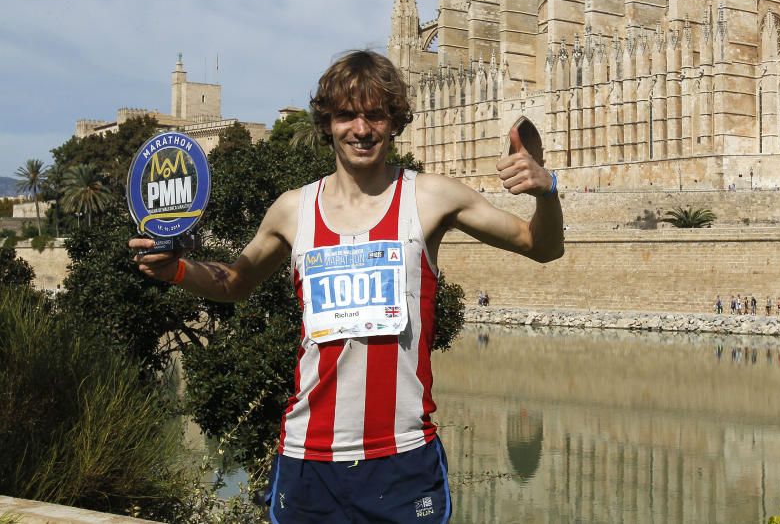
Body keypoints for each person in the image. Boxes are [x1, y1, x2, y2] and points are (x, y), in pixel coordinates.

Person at [130, 50, 564, 523]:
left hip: (404, 459)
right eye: (346, 115)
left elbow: (540, 246)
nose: (361, 128)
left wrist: (548, 190)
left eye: (376, 114)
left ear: (394, 122)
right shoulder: (292, 210)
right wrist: (175, 269)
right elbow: (235, 282)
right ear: (327, 123)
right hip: (308, 459)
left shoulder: (432, 197)